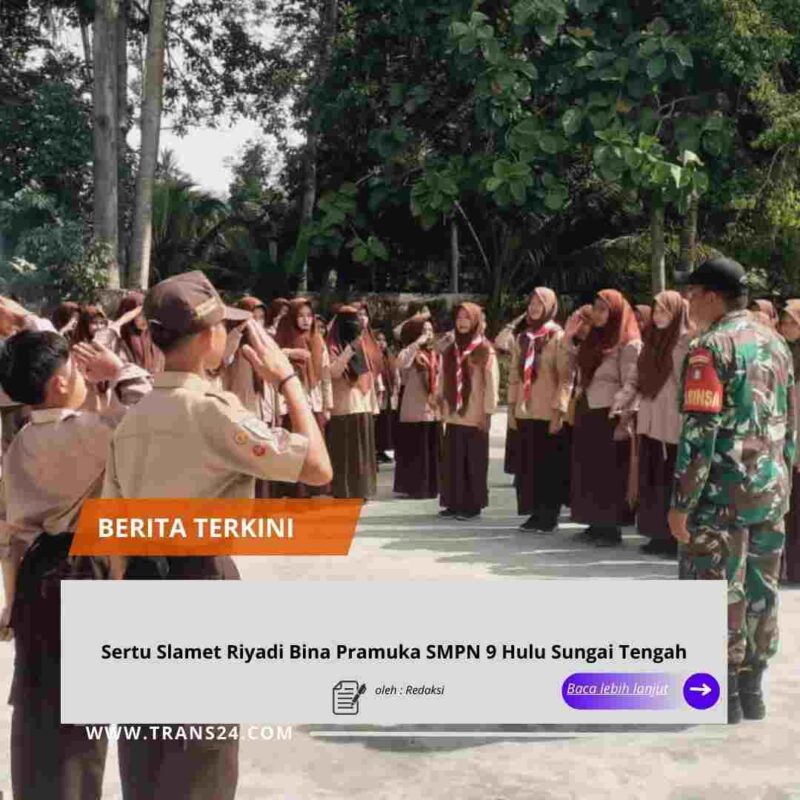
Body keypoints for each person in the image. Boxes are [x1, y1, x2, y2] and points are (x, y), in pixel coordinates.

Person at [102, 270, 331, 799]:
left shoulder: (133, 419)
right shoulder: (212, 410)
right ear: (209, 337)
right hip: (199, 580)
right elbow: (317, 468)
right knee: (201, 758)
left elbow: (113, 540)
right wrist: (287, 381)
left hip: (137, 587)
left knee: (147, 759)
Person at [0, 317, 151, 799]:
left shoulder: (20, 444)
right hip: (86, 569)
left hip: (35, 577)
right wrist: (120, 370)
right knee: (81, 726)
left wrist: (10, 602)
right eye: (75, 368)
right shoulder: (92, 432)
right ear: (60, 383)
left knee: (38, 712)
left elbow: (12, 538)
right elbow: (151, 414)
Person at [669, 256, 795, 725]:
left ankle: (723, 696)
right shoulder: (775, 342)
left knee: (715, 591)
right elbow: (790, 421)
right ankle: (751, 690)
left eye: (692, 294)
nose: (688, 302)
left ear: (711, 297)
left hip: (721, 497)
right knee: (762, 590)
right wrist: (784, 480)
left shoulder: (709, 348)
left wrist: (681, 503)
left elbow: (699, 435)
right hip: (770, 491)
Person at [570, 289, 643, 546]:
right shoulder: (594, 339)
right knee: (590, 470)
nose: (598, 314)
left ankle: (610, 528)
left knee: (610, 472)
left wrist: (623, 418)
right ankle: (594, 522)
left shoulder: (628, 344)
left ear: (616, 313)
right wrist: (569, 336)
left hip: (610, 415)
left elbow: (631, 383)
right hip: (589, 411)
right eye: (596, 308)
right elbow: (573, 367)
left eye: (604, 310)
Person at [629, 291, 692, 556]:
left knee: (669, 481)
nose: (658, 316)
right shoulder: (652, 340)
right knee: (652, 479)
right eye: (656, 311)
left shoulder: (687, 342)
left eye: (665, 311)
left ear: (678, 312)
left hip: (673, 422)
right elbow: (638, 376)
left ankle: (672, 539)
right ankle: (655, 534)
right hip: (651, 418)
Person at [507, 289, 574, 532]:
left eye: (540, 303)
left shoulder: (558, 337)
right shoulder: (523, 338)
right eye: (532, 303)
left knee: (549, 467)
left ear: (550, 307)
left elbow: (566, 378)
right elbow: (514, 376)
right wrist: (512, 408)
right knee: (529, 467)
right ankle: (534, 513)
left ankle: (549, 515)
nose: (534, 307)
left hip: (548, 412)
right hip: (525, 411)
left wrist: (559, 411)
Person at [438, 302, 499, 520]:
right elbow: (443, 378)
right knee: (453, 461)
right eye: (459, 318)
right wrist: (440, 402)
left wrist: (488, 413)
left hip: (475, 415)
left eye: (467, 317)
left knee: (473, 462)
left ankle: (472, 506)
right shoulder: (450, 349)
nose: (462, 322)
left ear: (475, 321)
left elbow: (491, 384)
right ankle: (453, 502)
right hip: (454, 415)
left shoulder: (484, 349)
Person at [274, 298, 333, 496]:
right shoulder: (283, 339)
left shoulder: (317, 340)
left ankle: (315, 488)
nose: (306, 320)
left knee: (314, 446)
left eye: (309, 316)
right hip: (290, 404)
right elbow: (273, 365)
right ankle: (296, 491)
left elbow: (325, 375)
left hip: (313, 402)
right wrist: (291, 352)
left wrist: (327, 405)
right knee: (295, 448)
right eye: (300, 316)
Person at [326, 306, 380, 500]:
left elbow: (369, 375)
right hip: (343, 408)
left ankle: (362, 491)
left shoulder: (363, 345)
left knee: (361, 454)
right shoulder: (332, 346)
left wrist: (373, 406)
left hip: (362, 407)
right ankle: (345, 492)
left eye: (355, 320)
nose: (353, 325)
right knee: (345, 454)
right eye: (348, 321)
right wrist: (349, 350)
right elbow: (333, 372)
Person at [394, 315, 442, 499]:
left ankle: (432, 486)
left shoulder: (435, 353)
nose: (428, 334)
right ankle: (414, 487)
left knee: (431, 447)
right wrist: (416, 343)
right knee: (415, 448)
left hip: (432, 408)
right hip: (414, 408)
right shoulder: (411, 352)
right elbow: (400, 362)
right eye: (424, 331)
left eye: (430, 330)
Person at [779, 300, 800, 584]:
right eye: (783, 322)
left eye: (792, 322)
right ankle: (792, 569)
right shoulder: (783, 354)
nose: (785, 327)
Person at [99, 291, 165, 373]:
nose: (146, 319)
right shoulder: (117, 337)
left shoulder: (153, 339)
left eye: (148, 314)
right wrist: (122, 321)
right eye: (141, 314)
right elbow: (99, 343)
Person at [374, 330, 399, 464]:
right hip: (377, 393)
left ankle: (382, 451)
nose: (381, 343)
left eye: (383, 340)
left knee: (386, 423)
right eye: (378, 339)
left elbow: (396, 374)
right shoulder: (373, 356)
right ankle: (376, 451)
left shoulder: (390, 356)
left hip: (389, 394)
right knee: (378, 424)